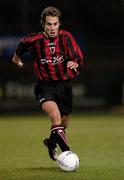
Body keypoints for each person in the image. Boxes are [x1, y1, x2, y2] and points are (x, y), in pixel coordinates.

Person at [12, 6, 84, 161]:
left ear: (59, 24)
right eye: (49, 24)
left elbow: (76, 57)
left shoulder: (66, 38)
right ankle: (68, 155)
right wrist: (17, 59)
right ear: (43, 25)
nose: (52, 28)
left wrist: (75, 63)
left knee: (63, 123)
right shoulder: (34, 40)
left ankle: (51, 143)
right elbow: (22, 45)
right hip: (44, 87)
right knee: (55, 117)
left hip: (64, 86)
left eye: (55, 24)